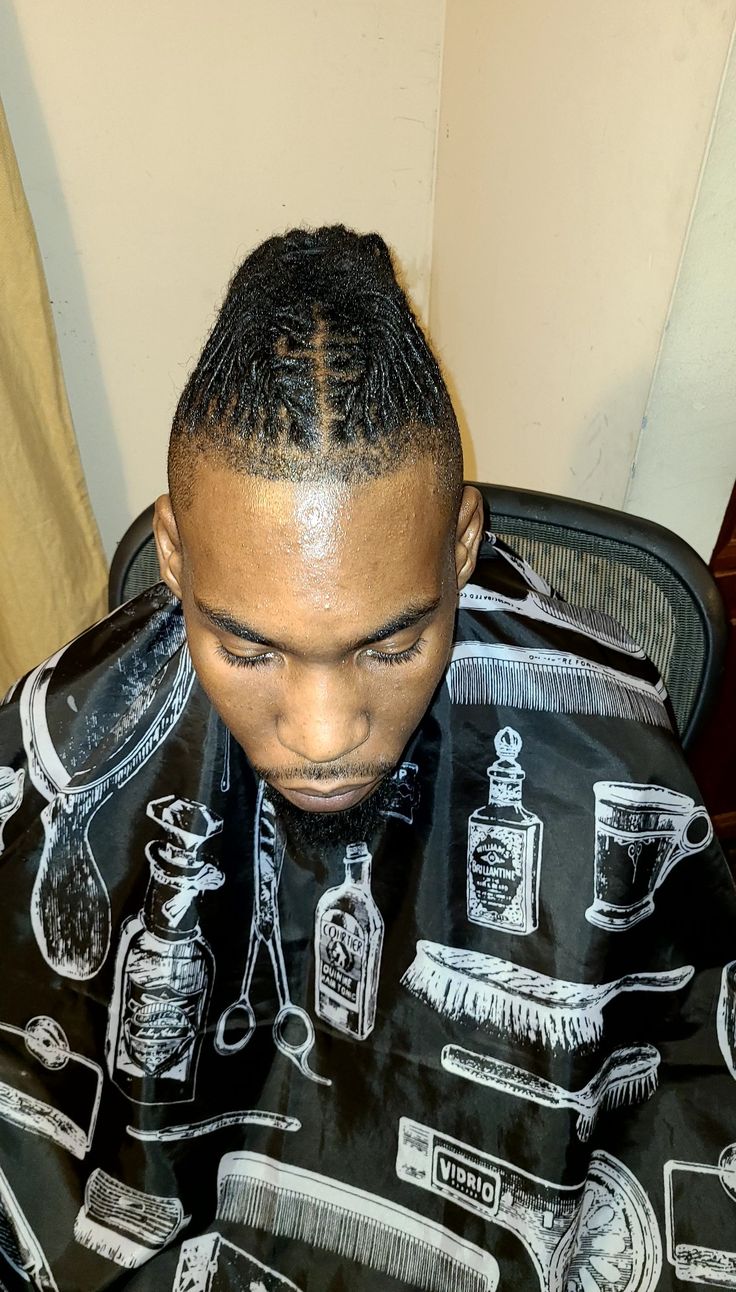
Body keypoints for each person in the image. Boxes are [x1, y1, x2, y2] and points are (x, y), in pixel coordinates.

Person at [0, 226, 734, 1292]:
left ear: (462, 539)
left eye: (391, 643)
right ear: (169, 552)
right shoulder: (82, 722)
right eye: (246, 647)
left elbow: (677, 1090)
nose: (324, 726)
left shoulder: (598, 733)